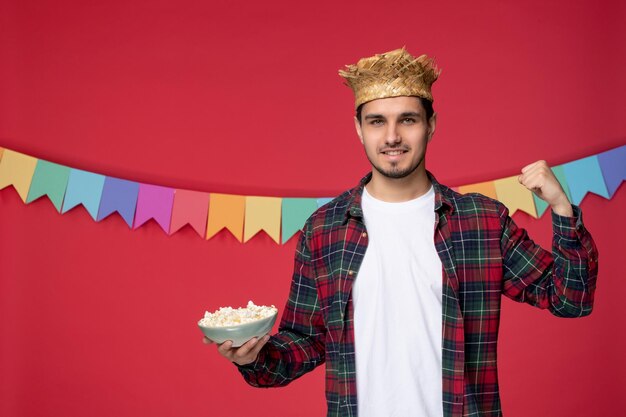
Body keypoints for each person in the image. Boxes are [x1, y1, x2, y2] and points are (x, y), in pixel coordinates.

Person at [203, 47, 599, 417]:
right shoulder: (324, 230)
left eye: (407, 119)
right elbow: (304, 340)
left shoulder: (482, 221)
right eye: (377, 121)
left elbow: (570, 298)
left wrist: (561, 209)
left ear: (431, 125)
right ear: (359, 129)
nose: (392, 137)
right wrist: (253, 356)